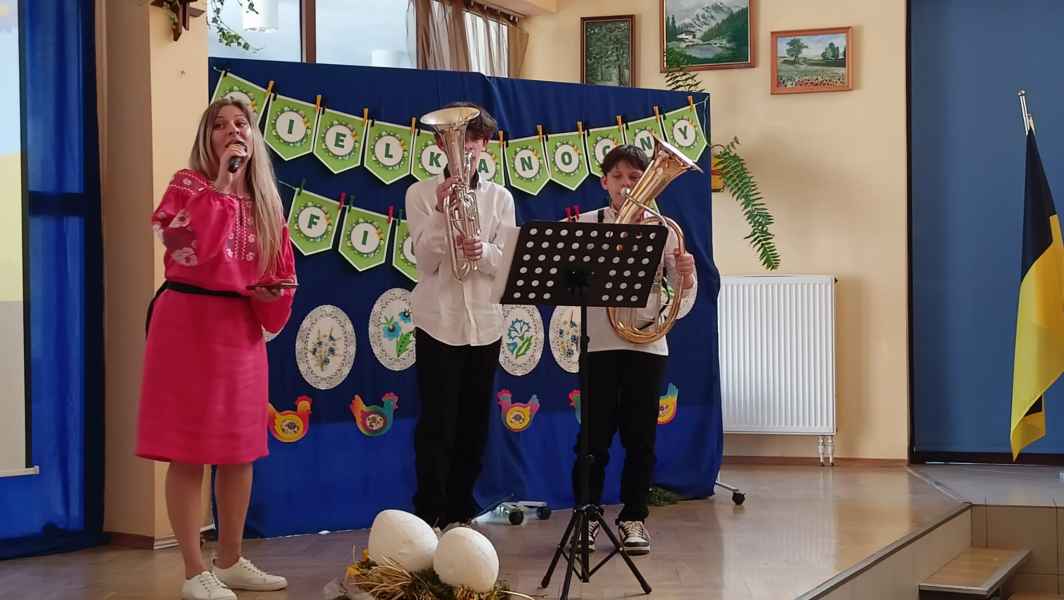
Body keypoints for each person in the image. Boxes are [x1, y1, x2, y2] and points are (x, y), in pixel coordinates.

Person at [137, 98, 297, 600]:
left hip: (239, 330)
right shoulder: (188, 186)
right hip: (187, 325)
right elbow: (186, 247)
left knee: (239, 450)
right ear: (207, 140)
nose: (232, 131)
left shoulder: (268, 204)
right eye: (220, 126)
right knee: (189, 452)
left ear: (254, 137)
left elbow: (281, 273)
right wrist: (223, 187)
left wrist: (271, 295)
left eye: (241, 124)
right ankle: (193, 570)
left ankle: (229, 561)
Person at [571, 144, 697, 556]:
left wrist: (685, 275)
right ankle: (588, 516)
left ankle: (633, 518)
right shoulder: (586, 225)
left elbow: (681, 297)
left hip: (647, 345)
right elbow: (566, 281)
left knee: (641, 438)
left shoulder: (665, 230)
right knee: (592, 440)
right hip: (599, 344)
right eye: (618, 177)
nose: (626, 184)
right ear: (603, 182)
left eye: (635, 177)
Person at [406, 102, 516, 531]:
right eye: (457, 138)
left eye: (474, 139)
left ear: (485, 145)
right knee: (436, 422)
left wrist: (482, 251)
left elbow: (506, 262)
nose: (466, 147)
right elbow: (424, 262)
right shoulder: (419, 194)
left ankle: (459, 512)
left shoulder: (500, 198)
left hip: (485, 323)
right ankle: (428, 513)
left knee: (474, 422)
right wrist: (440, 211)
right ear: (440, 143)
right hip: (438, 321)